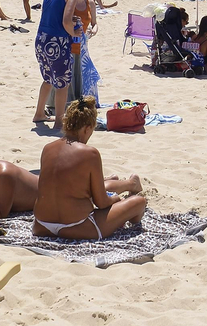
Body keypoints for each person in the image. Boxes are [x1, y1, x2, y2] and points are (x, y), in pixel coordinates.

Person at [31, 97, 148, 240]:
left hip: (42, 225)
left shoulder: (47, 149)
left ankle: (129, 184)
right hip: (78, 227)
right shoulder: (89, 153)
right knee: (138, 202)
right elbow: (101, 202)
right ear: (87, 129)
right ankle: (131, 206)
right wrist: (116, 200)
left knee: (96, 187)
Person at [32, 0, 86, 128]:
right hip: (57, 42)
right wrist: (74, 32)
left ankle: (39, 113)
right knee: (62, 82)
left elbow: (53, 15)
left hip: (42, 38)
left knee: (48, 78)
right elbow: (66, 22)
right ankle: (59, 121)